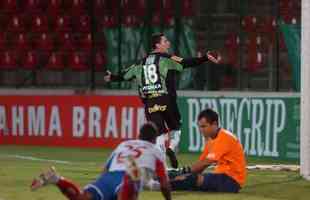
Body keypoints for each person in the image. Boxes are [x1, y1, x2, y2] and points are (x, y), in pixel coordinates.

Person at [104, 33, 220, 168]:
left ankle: (162, 168)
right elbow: (185, 62)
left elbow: (124, 75)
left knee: (159, 135)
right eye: (165, 41)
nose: (168, 43)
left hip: (150, 103)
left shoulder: (140, 63)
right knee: (176, 128)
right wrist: (205, 58)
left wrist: (112, 77)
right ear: (157, 45)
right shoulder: (165, 59)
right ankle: (171, 147)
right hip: (165, 100)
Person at [30, 122, 172, 200]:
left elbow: (105, 169)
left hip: (109, 177)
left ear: (138, 136)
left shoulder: (124, 144)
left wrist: (100, 184)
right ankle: (131, 179)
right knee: (131, 185)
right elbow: (165, 184)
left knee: (82, 198)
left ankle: (56, 179)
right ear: (154, 140)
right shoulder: (156, 151)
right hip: (127, 177)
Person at [169, 108, 247, 193]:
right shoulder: (211, 139)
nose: (201, 130)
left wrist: (185, 172)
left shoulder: (224, 137)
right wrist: (186, 174)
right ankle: (165, 182)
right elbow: (201, 162)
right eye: (199, 127)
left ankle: (163, 185)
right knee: (189, 179)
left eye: (204, 126)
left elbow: (206, 163)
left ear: (214, 124)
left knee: (192, 179)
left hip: (232, 181)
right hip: (222, 177)